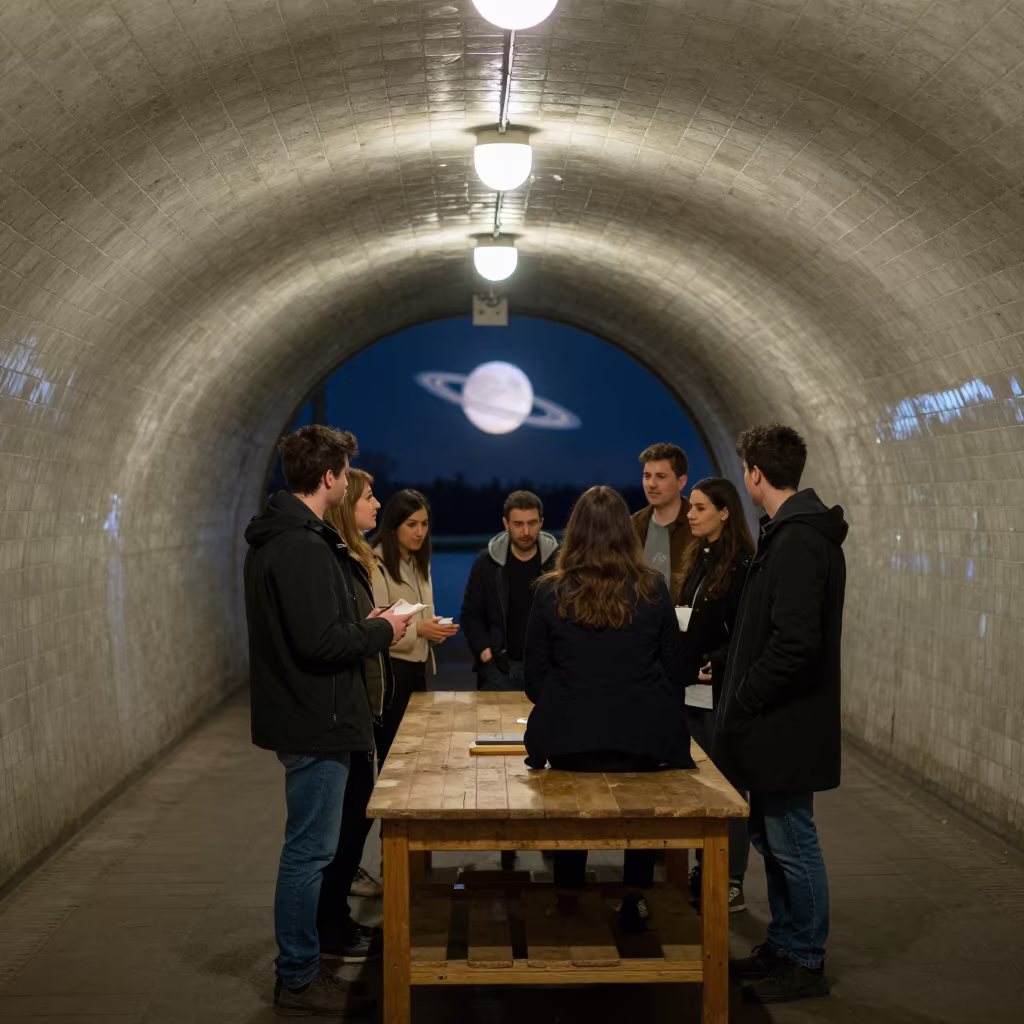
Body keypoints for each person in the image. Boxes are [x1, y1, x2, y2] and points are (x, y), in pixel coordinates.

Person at [244, 426, 412, 1018]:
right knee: (309, 853)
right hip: (317, 716)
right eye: (345, 473)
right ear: (329, 478)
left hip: (312, 712)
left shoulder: (293, 538)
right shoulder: (301, 546)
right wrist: (383, 630)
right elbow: (319, 642)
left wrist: (364, 619)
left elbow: (317, 623)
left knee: (312, 848)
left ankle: (305, 961)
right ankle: (297, 976)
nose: (348, 481)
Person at [714, 424, 847, 1005]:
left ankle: (806, 959)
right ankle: (785, 944)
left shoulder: (797, 542)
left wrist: (743, 697)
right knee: (773, 837)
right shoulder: (789, 534)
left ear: (756, 475)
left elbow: (794, 643)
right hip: (774, 724)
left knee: (793, 839)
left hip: (786, 723)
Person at [523, 486, 695, 933]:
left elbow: (533, 680)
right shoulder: (653, 588)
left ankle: (568, 896)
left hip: (568, 738)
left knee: (570, 806)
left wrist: (569, 699)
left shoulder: (549, 592)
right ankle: (633, 898)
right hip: (641, 739)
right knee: (639, 810)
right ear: (626, 532)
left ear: (574, 533)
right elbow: (676, 672)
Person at [675, 477, 755, 914]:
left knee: (727, 788)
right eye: (692, 508)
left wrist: (718, 661)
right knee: (698, 787)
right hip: (690, 689)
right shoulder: (699, 559)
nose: (691, 514)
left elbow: (747, 630)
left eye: (701, 508)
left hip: (720, 691)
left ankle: (732, 880)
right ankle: (703, 868)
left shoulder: (743, 565)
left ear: (725, 512)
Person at [322, 469, 390, 904]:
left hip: (362, 709)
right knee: (343, 822)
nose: (377, 503)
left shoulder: (355, 556)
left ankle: (336, 918)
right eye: (369, 496)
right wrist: (381, 627)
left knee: (355, 816)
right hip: (345, 713)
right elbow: (335, 636)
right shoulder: (337, 561)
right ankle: (328, 924)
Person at [371, 489, 459, 762]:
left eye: (424, 524)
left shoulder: (418, 562)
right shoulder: (377, 564)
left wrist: (433, 630)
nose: (419, 532)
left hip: (417, 668)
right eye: (411, 524)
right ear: (394, 525)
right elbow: (375, 626)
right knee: (394, 754)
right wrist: (420, 630)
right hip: (392, 672)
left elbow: (421, 614)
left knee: (417, 751)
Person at [461, 490, 559, 691]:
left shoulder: (558, 563)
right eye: (518, 524)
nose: (526, 532)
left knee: (547, 723)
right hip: (500, 668)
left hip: (548, 668)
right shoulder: (486, 563)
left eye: (532, 523)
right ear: (506, 524)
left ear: (541, 522)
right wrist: (484, 652)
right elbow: (471, 614)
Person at [631, 442, 693, 600]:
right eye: (647, 476)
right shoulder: (632, 526)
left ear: (681, 482)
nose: (651, 484)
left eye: (661, 476)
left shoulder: (698, 523)